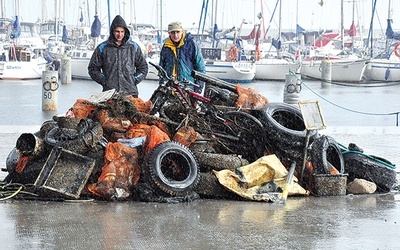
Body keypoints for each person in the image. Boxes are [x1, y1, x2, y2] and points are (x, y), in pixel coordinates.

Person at [88, 15, 148, 98]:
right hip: (109, 93)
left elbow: (143, 68)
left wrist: (134, 79)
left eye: (122, 32)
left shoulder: (133, 47)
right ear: (113, 31)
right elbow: (93, 69)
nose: (120, 34)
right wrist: (105, 80)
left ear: (125, 32)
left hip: (130, 92)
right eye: (117, 31)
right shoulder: (103, 48)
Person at [159, 21, 206, 93]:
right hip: (169, 89)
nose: (175, 35)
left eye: (177, 32)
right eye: (173, 32)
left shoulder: (191, 44)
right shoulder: (166, 47)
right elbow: (161, 68)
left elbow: (201, 68)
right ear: (169, 33)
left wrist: (198, 89)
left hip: (187, 89)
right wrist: (162, 84)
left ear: (182, 31)